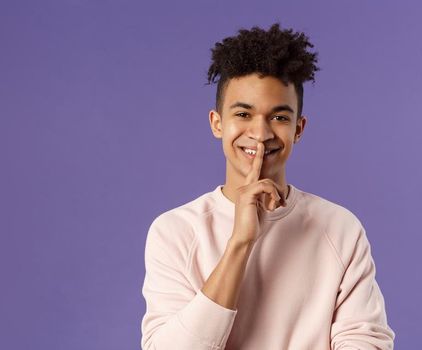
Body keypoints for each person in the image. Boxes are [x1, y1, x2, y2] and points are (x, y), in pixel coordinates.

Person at [139, 23, 395, 349]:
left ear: (298, 129)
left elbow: (366, 343)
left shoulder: (340, 228)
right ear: (217, 123)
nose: (260, 134)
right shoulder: (175, 231)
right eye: (243, 114)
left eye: (279, 117)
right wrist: (240, 243)